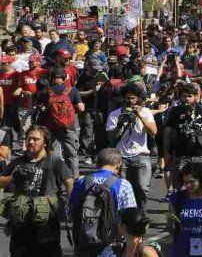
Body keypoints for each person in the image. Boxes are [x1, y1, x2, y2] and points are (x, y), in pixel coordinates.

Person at [0, 125, 74, 256]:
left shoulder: (55, 161)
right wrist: (12, 177)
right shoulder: (18, 162)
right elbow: (1, 181)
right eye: (28, 139)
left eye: (36, 139)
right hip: (21, 222)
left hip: (47, 224)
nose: (31, 142)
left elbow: (69, 182)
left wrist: (69, 205)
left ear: (45, 143)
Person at [68, 147, 137, 257]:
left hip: (83, 241)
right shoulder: (123, 185)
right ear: (119, 165)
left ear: (97, 163)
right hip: (110, 243)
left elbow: (70, 212)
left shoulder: (81, 181)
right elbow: (131, 221)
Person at [163, 83, 202, 188]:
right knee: (180, 187)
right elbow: (167, 132)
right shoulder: (175, 111)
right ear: (180, 97)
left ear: (195, 96)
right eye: (184, 96)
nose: (187, 99)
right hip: (182, 155)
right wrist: (166, 152)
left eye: (190, 96)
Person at [106, 84, 158, 210]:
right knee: (123, 189)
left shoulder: (145, 112)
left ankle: (141, 215)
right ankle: (125, 216)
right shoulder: (115, 114)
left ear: (138, 98)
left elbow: (154, 131)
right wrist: (120, 124)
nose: (131, 101)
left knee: (142, 188)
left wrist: (139, 115)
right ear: (124, 98)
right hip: (122, 156)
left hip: (142, 155)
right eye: (128, 98)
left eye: (133, 98)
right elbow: (110, 137)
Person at [37, 67, 84, 178]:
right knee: (71, 155)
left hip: (50, 127)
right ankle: (73, 178)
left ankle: (53, 179)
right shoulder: (72, 90)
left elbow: (39, 108)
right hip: (68, 127)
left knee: (51, 153)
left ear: (51, 78)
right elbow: (81, 108)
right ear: (64, 78)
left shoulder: (45, 92)